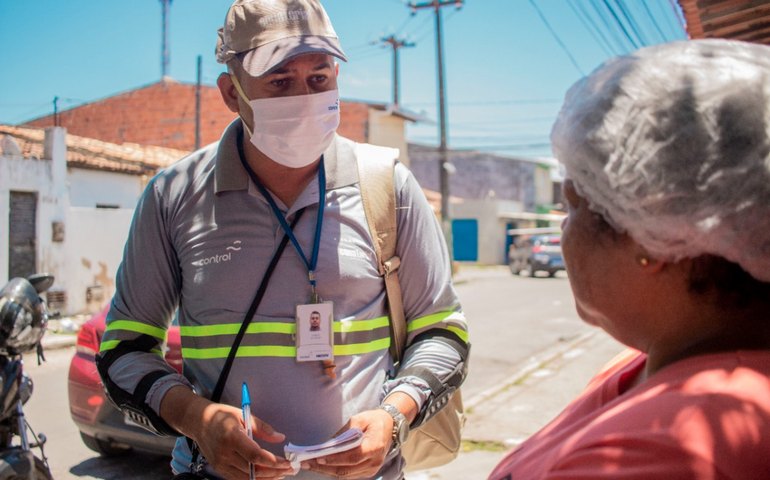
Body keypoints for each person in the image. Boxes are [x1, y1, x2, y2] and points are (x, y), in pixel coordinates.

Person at [96, 1, 469, 479]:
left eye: (319, 78)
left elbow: (443, 333)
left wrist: (395, 415)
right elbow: (123, 351)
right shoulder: (174, 195)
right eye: (279, 82)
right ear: (231, 93)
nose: (305, 98)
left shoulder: (387, 185)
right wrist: (198, 420)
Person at [489, 39, 770, 479]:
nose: (563, 232)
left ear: (649, 235)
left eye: (572, 207)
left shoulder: (669, 450)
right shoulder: (649, 359)